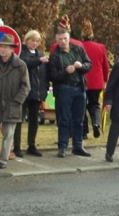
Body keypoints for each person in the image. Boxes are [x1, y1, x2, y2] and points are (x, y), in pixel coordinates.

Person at [0, 34, 30, 169]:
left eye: (6, 47)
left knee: (8, 134)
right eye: (1, 46)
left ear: (12, 49)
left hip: (12, 105)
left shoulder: (20, 65)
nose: (3, 49)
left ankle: (3, 160)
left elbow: (25, 86)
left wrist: (17, 102)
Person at [48, 28, 92, 158]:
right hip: (64, 89)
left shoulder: (79, 49)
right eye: (60, 39)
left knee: (79, 120)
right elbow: (53, 76)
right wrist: (65, 71)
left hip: (80, 88)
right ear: (56, 40)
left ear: (69, 38)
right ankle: (63, 146)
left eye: (65, 38)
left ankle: (78, 146)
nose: (63, 41)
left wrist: (81, 66)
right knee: (64, 119)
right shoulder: (55, 55)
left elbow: (89, 64)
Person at [13, 30, 49, 158]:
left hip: (37, 93)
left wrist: (44, 90)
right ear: (26, 40)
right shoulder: (21, 53)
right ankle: (16, 146)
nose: (34, 43)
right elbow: (25, 64)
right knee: (19, 120)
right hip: (23, 92)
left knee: (34, 120)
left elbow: (44, 75)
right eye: (32, 40)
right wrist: (39, 60)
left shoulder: (41, 54)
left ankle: (31, 145)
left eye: (37, 41)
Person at [81, 19, 109, 139]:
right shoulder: (101, 47)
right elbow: (106, 65)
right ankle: (96, 123)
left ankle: (84, 129)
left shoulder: (79, 46)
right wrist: (105, 79)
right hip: (97, 81)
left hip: (83, 80)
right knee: (95, 104)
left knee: (82, 105)